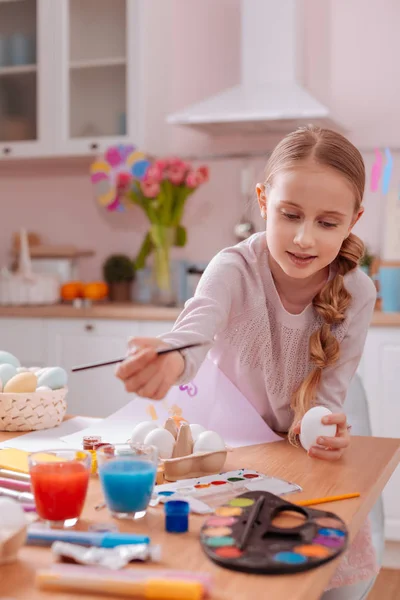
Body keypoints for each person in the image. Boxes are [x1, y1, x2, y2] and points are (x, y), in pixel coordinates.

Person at [116, 125, 378, 598]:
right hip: (232, 446)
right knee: (224, 568)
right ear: (262, 201)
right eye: (290, 214)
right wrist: (169, 362)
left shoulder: (357, 292)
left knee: (319, 576)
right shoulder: (233, 267)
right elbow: (193, 334)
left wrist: (321, 429)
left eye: (327, 222)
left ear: (354, 220)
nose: (303, 238)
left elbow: (325, 398)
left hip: (302, 445)